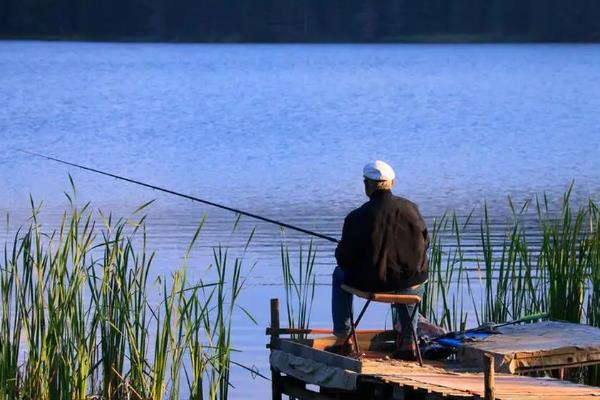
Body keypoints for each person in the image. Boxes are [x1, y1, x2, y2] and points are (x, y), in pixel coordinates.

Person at [330, 160, 429, 359]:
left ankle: (344, 339)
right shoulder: (412, 209)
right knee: (413, 278)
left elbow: (344, 260)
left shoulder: (356, 217)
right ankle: (409, 342)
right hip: (410, 283)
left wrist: (342, 249)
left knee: (338, 274)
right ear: (392, 183)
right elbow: (425, 243)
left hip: (372, 284)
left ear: (367, 186)